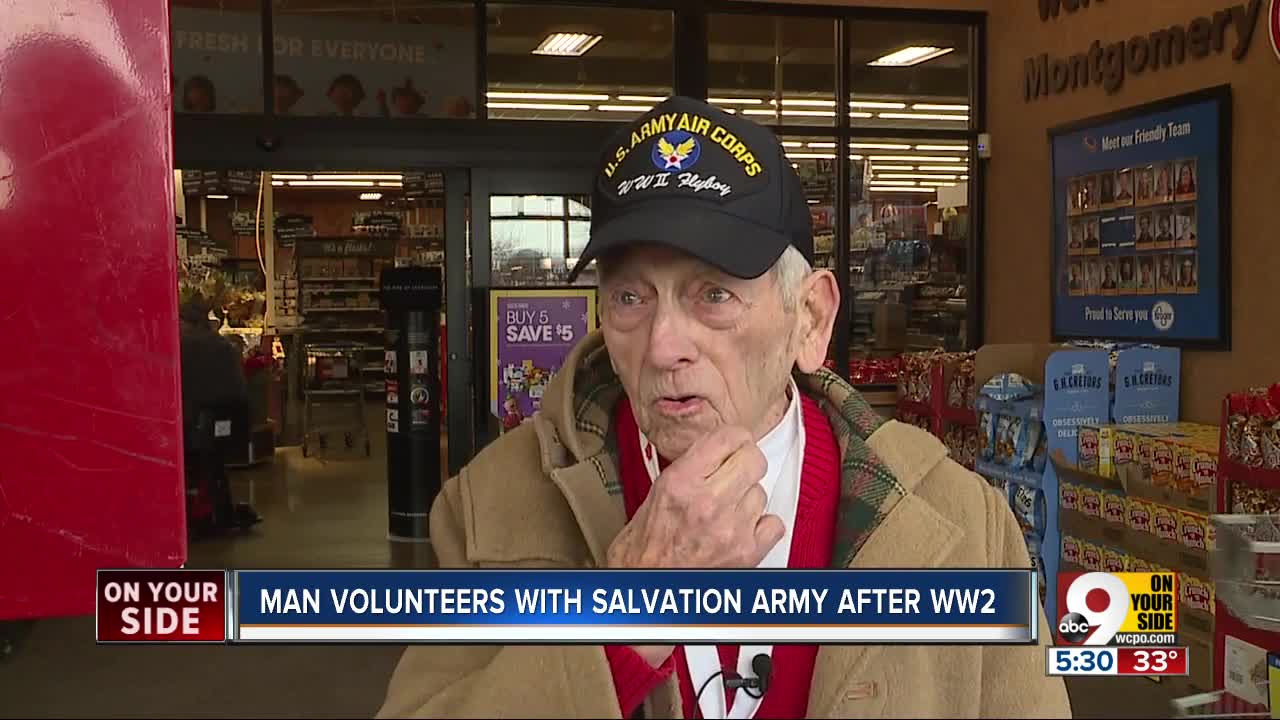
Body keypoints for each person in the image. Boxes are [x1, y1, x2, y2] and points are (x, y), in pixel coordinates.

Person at [377, 96, 1070, 719]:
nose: (663, 344)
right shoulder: (492, 505)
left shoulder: (959, 525)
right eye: (630, 297)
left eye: (714, 295)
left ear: (810, 320)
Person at [178, 299, 260, 534]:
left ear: (187, 322)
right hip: (233, 420)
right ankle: (218, 508)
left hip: (202, 421)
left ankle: (199, 509)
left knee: (196, 460)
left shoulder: (185, 345)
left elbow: (187, 390)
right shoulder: (221, 343)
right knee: (214, 463)